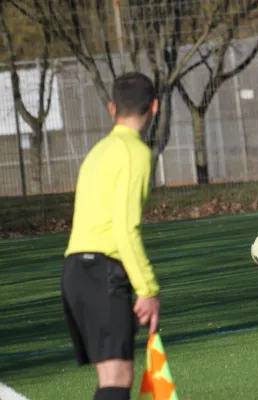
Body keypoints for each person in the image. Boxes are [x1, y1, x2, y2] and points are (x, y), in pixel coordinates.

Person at [61, 72, 161, 400]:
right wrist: (147, 288)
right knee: (118, 377)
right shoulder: (136, 153)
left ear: (112, 108)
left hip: (75, 271)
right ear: (155, 107)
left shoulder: (99, 151)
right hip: (102, 270)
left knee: (110, 377)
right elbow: (125, 227)